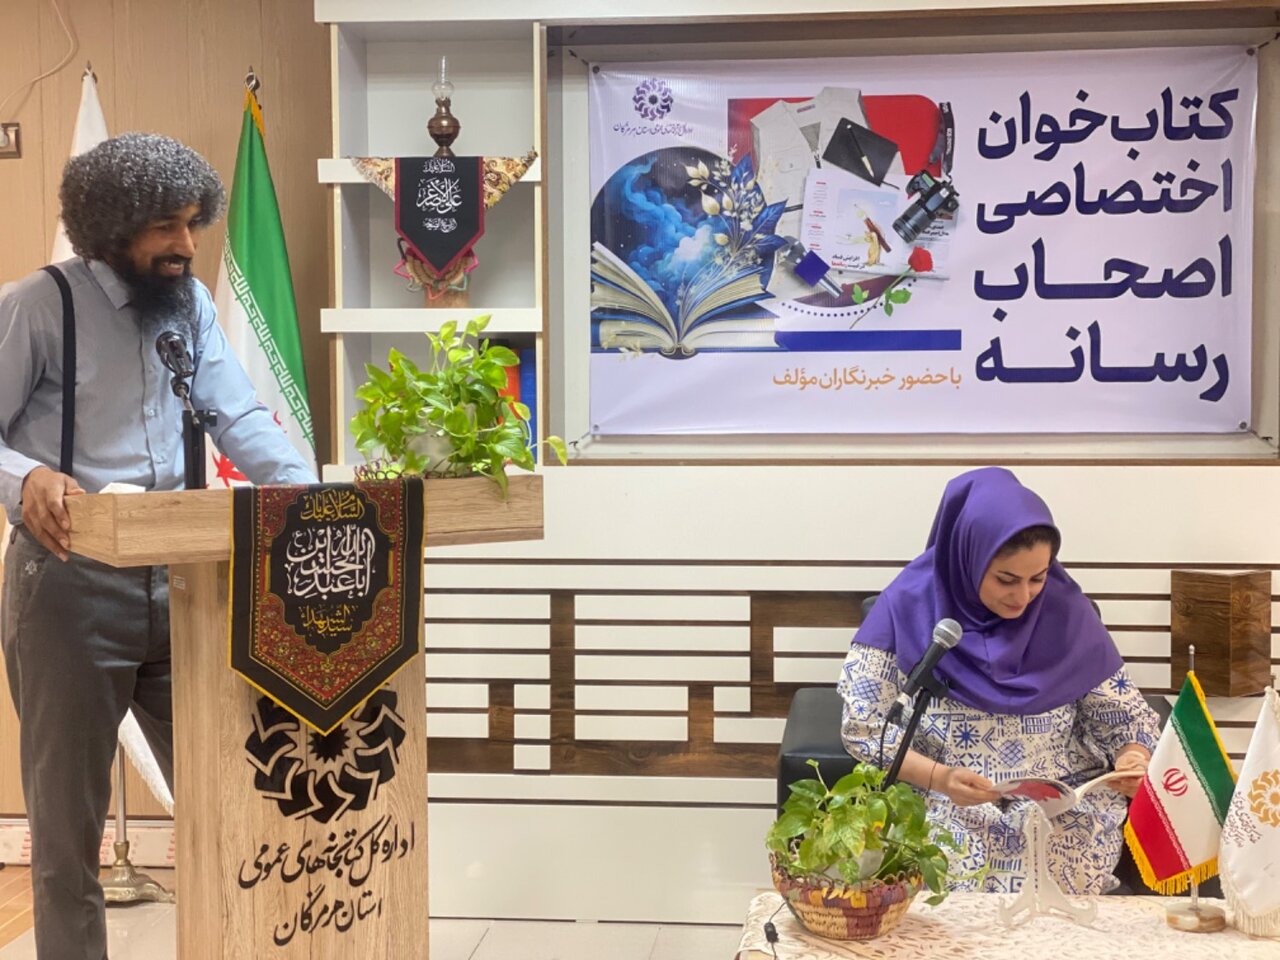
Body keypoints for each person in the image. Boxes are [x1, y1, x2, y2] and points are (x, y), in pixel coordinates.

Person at [0, 132, 315, 959]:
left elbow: (237, 415)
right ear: (110, 224)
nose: (186, 245)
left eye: (192, 224)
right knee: (68, 830)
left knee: (231, 794)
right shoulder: (38, 305)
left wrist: (313, 500)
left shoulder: (191, 305)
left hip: (186, 580)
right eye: (165, 227)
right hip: (68, 584)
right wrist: (25, 478)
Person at [838, 467, 1160, 895]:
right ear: (968, 558)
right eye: (1006, 580)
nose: (1023, 597)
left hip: (1059, 809)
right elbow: (865, 729)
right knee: (955, 898)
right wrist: (940, 778)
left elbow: (1126, 717)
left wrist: (1132, 758)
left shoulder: (1066, 609)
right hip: (949, 801)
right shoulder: (907, 604)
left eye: (1037, 578)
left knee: (1057, 913)